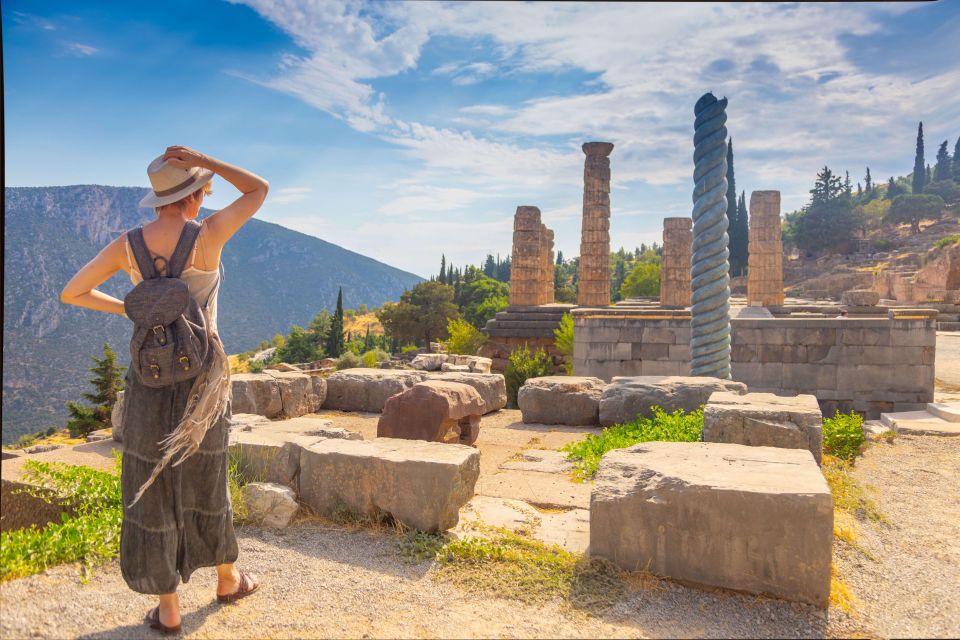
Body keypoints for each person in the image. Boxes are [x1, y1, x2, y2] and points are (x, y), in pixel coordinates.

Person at [61, 146, 269, 633]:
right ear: (194, 195)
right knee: (206, 474)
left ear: (159, 198)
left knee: (150, 483)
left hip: (149, 379)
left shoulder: (127, 244)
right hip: (205, 380)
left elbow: (72, 291)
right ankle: (226, 579)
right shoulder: (208, 235)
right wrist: (209, 159)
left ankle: (169, 609)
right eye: (204, 190)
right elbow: (259, 189)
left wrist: (135, 307)